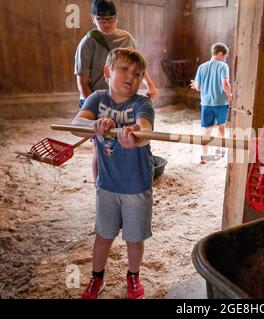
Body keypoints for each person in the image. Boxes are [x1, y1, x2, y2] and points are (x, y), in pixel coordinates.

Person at [71, 48, 155, 299]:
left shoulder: (142, 103)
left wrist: (135, 137)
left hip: (136, 186)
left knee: (134, 237)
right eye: (125, 69)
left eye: (138, 74)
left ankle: (133, 275)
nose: (132, 76)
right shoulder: (97, 98)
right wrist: (94, 125)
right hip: (106, 185)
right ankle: (97, 277)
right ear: (108, 71)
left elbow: (146, 129)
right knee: (103, 235)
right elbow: (77, 126)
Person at [74, 0, 158, 180]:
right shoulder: (87, 43)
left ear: (117, 18)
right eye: (101, 19)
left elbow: (136, 66)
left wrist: (149, 85)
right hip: (96, 98)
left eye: (111, 19)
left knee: (124, 139)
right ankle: (100, 184)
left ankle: (122, 180)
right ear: (93, 18)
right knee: (99, 145)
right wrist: (95, 110)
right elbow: (82, 82)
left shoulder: (126, 38)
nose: (106, 23)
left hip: (124, 99)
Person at [191, 43, 232, 164]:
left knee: (206, 130)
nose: (225, 59)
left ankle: (204, 156)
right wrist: (229, 95)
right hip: (220, 103)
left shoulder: (202, 67)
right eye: (226, 56)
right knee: (221, 128)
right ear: (220, 54)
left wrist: (195, 85)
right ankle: (219, 152)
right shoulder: (223, 66)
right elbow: (225, 83)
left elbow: (197, 87)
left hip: (206, 104)